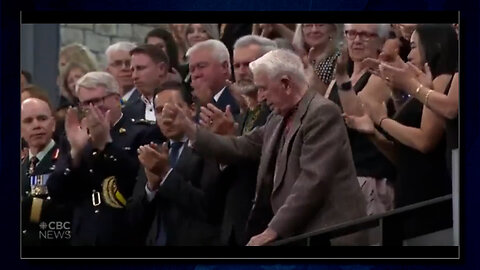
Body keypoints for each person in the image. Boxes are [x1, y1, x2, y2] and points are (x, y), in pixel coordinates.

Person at [163, 49, 367, 246]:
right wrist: (190, 130)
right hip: (300, 235)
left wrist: (272, 231)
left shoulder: (322, 113)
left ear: (286, 84)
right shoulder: (277, 118)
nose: (260, 97)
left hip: (330, 235)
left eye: (263, 88)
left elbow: (312, 182)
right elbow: (241, 146)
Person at [47, 72, 152, 246]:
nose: (92, 109)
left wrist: (106, 144)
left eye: (98, 101)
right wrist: (76, 153)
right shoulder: (76, 136)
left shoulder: (142, 133)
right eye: (86, 104)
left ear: (117, 98)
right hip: (85, 234)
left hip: (125, 233)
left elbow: (136, 180)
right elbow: (57, 192)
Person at [198, 35, 275, 246]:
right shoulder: (240, 116)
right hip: (234, 230)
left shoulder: (277, 113)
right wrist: (221, 147)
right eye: (237, 65)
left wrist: (229, 142)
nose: (242, 71)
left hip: (266, 229)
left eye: (250, 64)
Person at [128, 81, 224, 246]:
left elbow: (210, 209)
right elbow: (133, 220)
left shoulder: (208, 148)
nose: (165, 118)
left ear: (192, 109)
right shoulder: (153, 152)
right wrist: (151, 188)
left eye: (172, 109)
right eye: (159, 111)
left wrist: (166, 174)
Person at [329, 24, 396, 216]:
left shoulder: (382, 75)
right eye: (351, 34)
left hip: (370, 176)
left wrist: (342, 78)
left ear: (381, 42)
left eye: (365, 35)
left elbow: (357, 119)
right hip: (342, 177)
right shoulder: (340, 77)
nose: (356, 40)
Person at [21, 97, 72, 246]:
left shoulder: (66, 160)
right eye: (28, 121)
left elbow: (39, 211)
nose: (36, 125)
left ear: (53, 124)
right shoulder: (22, 165)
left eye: (42, 119)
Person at [186, 39, 240, 117]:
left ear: (224, 67)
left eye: (201, 66)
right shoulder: (195, 103)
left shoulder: (237, 101)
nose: (195, 74)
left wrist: (206, 103)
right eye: (192, 70)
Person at [292, 24, 343, 95]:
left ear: (332, 30)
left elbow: (330, 97)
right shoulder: (302, 56)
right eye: (308, 25)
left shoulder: (338, 58)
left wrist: (309, 67)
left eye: (320, 25)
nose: (314, 30)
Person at [125, 44, 170, 123]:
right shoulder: (127, 112)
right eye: (132, 70)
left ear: (161, 69)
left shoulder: (180, 104)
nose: (134, 76)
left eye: (140, 68)